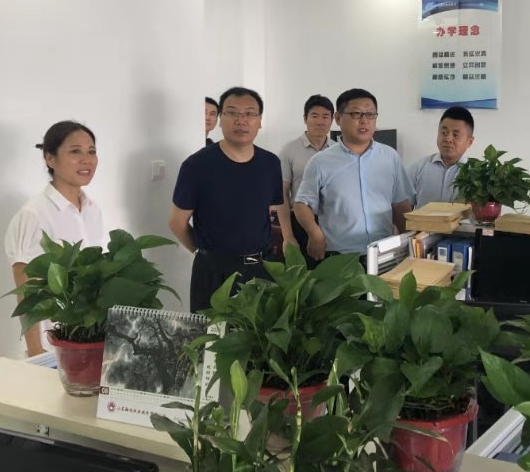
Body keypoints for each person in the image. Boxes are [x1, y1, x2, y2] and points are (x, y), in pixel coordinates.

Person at [170, 86, 285, 312]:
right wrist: (205, 254)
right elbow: (177, 223)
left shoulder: (270, 163)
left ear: (259, 121)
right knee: (212, 333)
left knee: (261, 332)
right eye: (232, 113)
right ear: (221, 119)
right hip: (214, 272)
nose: (241, 120)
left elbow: (265, 212)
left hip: (261, 269)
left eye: (250, 113)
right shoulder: (197, 165)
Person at [5, 121, 105, 357]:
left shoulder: (92, 209)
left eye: (91, 151)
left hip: (89, 338)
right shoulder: (34, 214)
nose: (86, 160)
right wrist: (36, 351)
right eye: (75, 151)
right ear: (50, 159)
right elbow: (26, 289)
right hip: (52, 346)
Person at [294, 88, 413, 262]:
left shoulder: (390, 157)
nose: (364, 121)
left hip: (384, 253)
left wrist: (408, 243)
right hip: (341, 257)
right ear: (338, 118)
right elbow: (302, 204)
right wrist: (315, 233)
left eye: (370, 114)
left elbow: (400, 204)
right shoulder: (320, 162)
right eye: (356, 114)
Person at [274, 95, 336, 259]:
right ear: (305, 118)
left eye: (325, 116)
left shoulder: (338, 151)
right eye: (314, 116)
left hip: (333, 223)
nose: (320, 122)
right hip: (300, 223)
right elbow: (281, 194)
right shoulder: (289, 150)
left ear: (332, 120)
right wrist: (288, 235)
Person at [408, 106, 475, 206]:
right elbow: (404, 207)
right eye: (444, 133)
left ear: (469, 142)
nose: (448, 139)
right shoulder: (418, 167)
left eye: (455, 135)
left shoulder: (476, 173)